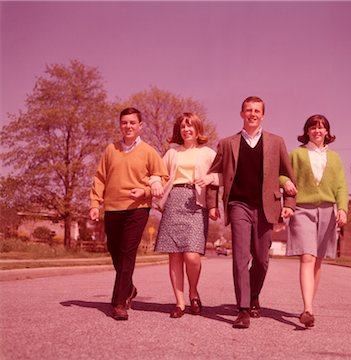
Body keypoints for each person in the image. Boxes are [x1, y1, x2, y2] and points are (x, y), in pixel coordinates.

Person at [207, 96, 296, 329]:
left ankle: (254, 294)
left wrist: (290, 202)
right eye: (248, 110)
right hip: (239, 205)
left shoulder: (276, 142)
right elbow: (213, 176)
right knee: (240, 257)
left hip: (266, 207)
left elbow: (288, 175)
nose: (252, 114)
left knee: (262, 259)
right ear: (241, 114)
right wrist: (212, 204)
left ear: (263, 115)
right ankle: (243, 309)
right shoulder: (227, 143)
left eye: (257, 110)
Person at [89, 107, 168, 321]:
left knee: (127, 253)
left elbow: (162, 176)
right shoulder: (110, 150)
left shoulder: (149, 152)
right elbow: (100, 178)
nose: (128, 126)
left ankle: (119, 302)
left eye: (133, 122)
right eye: (125, 122)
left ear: (140, 126)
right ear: (120, 125)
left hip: (138, 208)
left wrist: (147, 190)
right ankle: (129, 288)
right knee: (115, 252)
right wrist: (95, 204)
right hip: (113, 208)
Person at [281, 114, 348, 328]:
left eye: (321, 128)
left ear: (327, 132)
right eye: (313, 127)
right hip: (302, 209)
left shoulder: (336, 158)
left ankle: (310, 305)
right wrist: (286, 183)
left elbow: (341, 187)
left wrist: (343, 209)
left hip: (328, 211)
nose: (317, 131)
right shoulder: (297, 154)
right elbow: (281, 174)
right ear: (307, 131)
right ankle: (307, 309)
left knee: (318, 260)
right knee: (307, 258)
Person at [154, 113, 219, 318]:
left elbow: (224, 175)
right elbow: (157, 172)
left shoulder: (208, 152)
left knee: (192, 255)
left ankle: (193, 291)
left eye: (190, 126)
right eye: (182, 126)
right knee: (174, 254)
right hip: (174, 201)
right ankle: (180, 303)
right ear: (179, 131)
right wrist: (154, 182)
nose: (186, 130)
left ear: (197, 129)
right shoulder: (172, 153)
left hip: (196, 203)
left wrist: (210, 178)